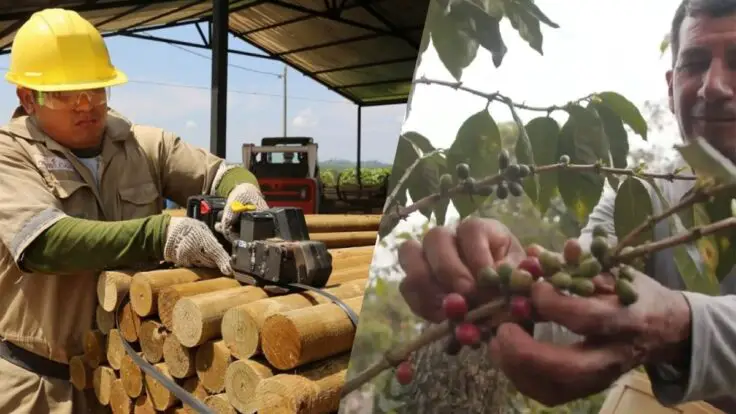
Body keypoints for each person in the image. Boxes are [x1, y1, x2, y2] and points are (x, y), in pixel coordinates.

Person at [398, 0, 736, 412]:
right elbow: (579, 319)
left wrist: (681, 325)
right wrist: (521, 292)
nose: (713, 85)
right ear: (670, 85)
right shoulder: (641, 199)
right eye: (695, 63)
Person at [0, 8, 269, 413]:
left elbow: (220, 173)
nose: (84, 103)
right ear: (27, 98)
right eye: (63, 93)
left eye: (96, 88)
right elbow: (43, 243)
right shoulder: (10, 155)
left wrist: (243, 189)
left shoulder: (143, 145)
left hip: (130, 381)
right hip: (42, 387)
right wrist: (161, 235)